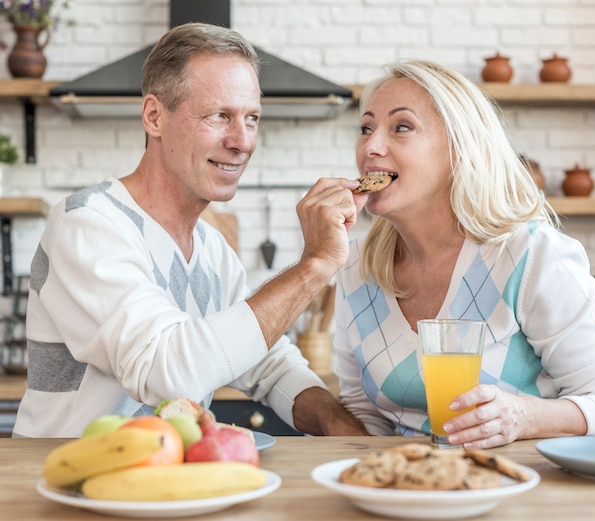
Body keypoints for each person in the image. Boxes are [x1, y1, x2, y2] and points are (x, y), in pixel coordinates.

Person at [13, 23, 369, 438]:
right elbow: (169, 374)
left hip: (168, 489)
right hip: (63, 488)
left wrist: (346, 430)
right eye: (220, 116)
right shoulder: (88, 224)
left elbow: (269, 365)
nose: (243, 141)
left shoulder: (211, 248)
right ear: (154, 117)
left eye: (251, 118)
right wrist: (315, 265)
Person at [334, 58, 595, 449]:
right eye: (365, 128)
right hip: (409, 490)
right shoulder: (356, 265)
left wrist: (523, 417)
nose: (370, 146)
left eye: (402, 127)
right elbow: (362, 411)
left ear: (459, 149)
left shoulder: (532, 255)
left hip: (520, 490)